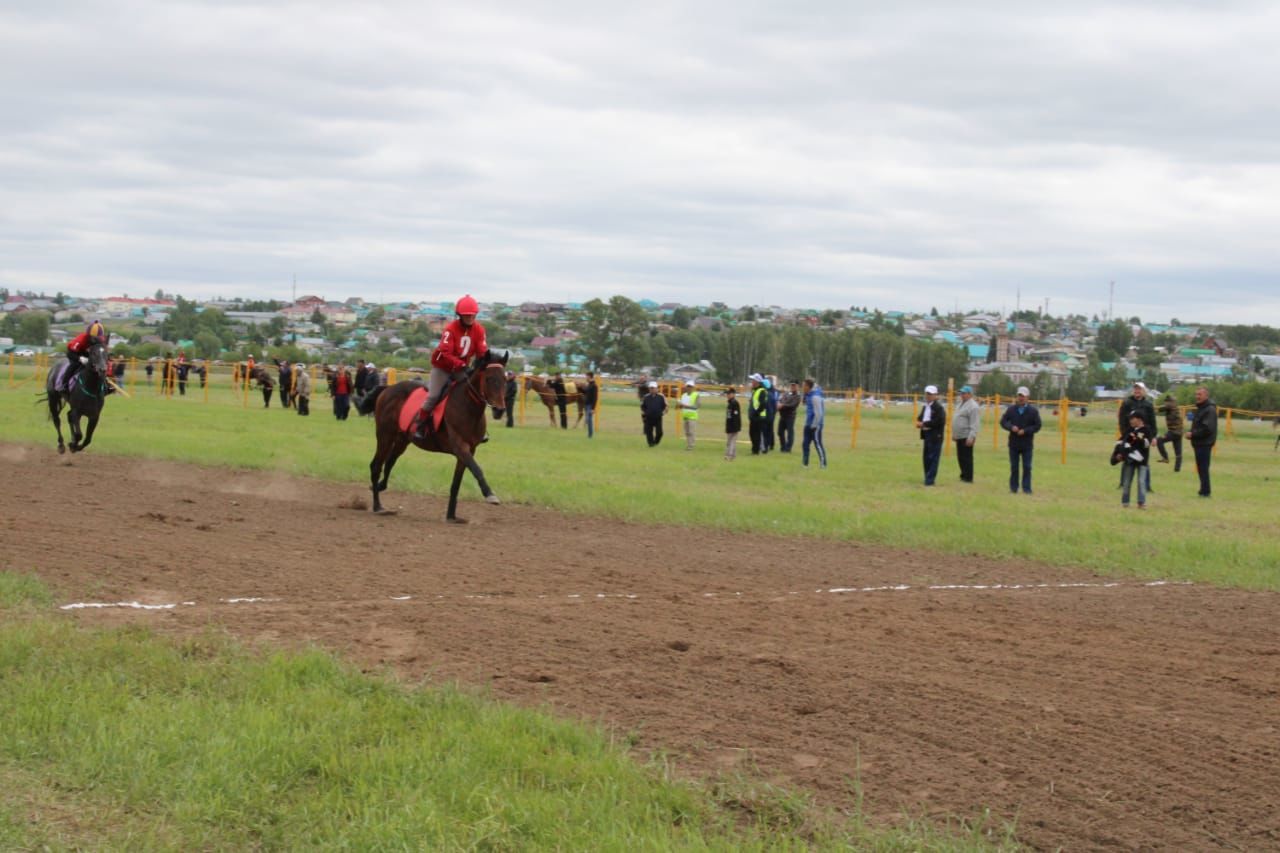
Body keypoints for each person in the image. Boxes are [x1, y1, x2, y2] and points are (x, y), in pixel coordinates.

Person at [414, 294, 488, 440]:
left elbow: (481, 351)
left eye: (472, 315)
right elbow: (445, 353)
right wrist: (460, 364)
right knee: (433, 396)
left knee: (475, 393)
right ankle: (420, 425)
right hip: (442, 367)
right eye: (467, 315)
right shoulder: (450, 329)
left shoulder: (479, 330)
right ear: (459, 315)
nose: (470, 318)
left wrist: (485, 361)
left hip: (460, 369)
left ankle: (478, 429)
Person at [1000, 385, 1041, 494]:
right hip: (1013, 443)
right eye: (1019, 395)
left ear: (1027, 397)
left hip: (1027, 444)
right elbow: (1003, 422)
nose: (1021, 398)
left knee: (1027, 467)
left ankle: (1026, 489)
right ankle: (1013, 488)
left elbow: (1037, 426)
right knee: (1014, 467)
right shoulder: (1011, 409)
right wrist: (1011, 427)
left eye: (1023, 396)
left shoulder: (1033, 411)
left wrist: (1026, 431)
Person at [1118, 381, 1157, 492]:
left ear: (1143, 391)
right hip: (1130, 434)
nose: (1137, 391)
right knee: (1127, 457)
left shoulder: (1148, 405)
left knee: (1144, 459)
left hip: (1144, 435)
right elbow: (1122, 420)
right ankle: (1123, 483)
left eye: (1139, 389)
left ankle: (1147, 486)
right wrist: (1124, 433)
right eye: (1135, 389)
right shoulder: (1127, 403)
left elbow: (1152, 422)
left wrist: (1153, 436)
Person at [1116, 411, 1152, 509]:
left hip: (1142, 461)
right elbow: (1121, 441)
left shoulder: (1147, 430)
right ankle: (1125, 502)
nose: (1130, 420)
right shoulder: (1129, 430)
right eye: (1130, 418)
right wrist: (1119, 452)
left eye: (1132, 418)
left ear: (1139, 419)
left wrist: (1137, 436)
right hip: (1129, 459)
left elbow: (1146, 444)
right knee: (1127, 481)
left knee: (1141, 481)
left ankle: (1141, 502)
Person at [1188, 386, 1217, 498]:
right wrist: (1191, 432)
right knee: (1201, 468)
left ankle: (1205, 492)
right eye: (1196, 394)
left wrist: (1193, 434)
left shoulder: (1209, 409)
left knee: (1203, 468)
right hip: (1199, 443)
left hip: (1205, 443)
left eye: (1199, 394)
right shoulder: (1201, 408)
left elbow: (1207, 429)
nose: (1197, 396)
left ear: (1206, 395)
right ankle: (1203, 490)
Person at [64, 319, 109, 389]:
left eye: (98, 338)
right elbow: (70, 353)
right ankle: (64, 384)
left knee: (100, 365)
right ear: (88, 336)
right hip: (74, 352)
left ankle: (105, 385)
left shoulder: (101, 339)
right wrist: (79, 358)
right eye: (94, 338)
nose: (96, 340)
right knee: (74, 365)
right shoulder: (80, 339)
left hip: (87, 353)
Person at [915, 384, 946, 486]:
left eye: (930, 394)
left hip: (935, 436)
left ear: (935, 395)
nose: (928, 396)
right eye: (927, 394)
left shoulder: (939, 408)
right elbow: (920, 417)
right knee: (926, 458)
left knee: (933, 459)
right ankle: (927, 476)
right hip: (926, 435)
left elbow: (939, 421)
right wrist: (919, 422)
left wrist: (924, 424)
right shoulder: (925, 407)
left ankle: (930, 480)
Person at [952, 384, 981, 483]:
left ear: (970, 394)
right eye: (961, 393)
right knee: (960, 457)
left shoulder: (973, 407)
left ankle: (968, 478)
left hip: (967, 435)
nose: (962, 395)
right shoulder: (960, 404)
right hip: (959, 435)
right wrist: (954, 433)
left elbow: (975, 423)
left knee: (967, 458)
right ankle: (963, 475)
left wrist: (971, 437)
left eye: (964, 393)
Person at [1155, 393, 1184, 472]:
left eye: (1166, 402)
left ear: (1170, 401)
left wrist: (1153, 408)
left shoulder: (1170, 406)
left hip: (1174, 432)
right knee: (1178, 453)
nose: (1165, 403)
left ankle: (1165, 458)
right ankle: (1177, 470)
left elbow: (1161, 409)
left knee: (1159, 440)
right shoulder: (1174, 407)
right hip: (1179, 432)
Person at [802, 378, 826, 468]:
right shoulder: (808, 394)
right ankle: (805, 464)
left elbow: (819, 413)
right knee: (805, 444)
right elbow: (805, 405)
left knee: (818, 445)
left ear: (808, 386)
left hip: (816, 425)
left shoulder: (815, 397)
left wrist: (815, 425)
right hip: (808, 424)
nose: (802, 387)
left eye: (803, 386)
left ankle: (823, 464)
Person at [640, 380, 667, 446]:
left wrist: (663, 413)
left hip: (658, 417)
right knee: (649, 432)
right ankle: (651, 444)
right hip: (648, 417)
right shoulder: (646, 397)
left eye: (653, 388)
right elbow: (642, 406)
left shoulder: (661, 397)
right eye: (650, 388)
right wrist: (644, 413)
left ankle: (656, 442)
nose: (652, 389)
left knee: (660, 432)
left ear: (657, 388)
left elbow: (665, 406)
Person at [747, 373, 768, 454]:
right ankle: (755, 448)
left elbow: (763, 404)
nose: (752, 382)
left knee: (756, 434)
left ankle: (755, 450)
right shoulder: (755, 390)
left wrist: (755, 413)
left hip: (758, 416)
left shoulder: (762, 391)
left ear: (757, 381)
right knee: (752, 433)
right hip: (754, 416)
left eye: (753, 380)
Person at [777, 381, 800, 452]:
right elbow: (781, 400)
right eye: (792, 385)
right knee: (780, 432)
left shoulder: (797, 396)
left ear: (797, 387)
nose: (792, 387)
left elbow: (793, 405)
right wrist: (779, 403)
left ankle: (788, 448)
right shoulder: (786, 393)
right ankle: (783, 446)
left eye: (794, 386)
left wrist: (782, 405)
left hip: (790, 416)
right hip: (782, 416)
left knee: (790, 433)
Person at [677, 379, 700, 450]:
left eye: (690, 386)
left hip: (692, 417)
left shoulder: (696, 395)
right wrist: (679, 405)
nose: (689, 388)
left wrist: (684, 405)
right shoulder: (683, 395)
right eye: (688, 386)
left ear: (693, 387)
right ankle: (688, 444)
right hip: (685, 416)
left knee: (691, 432)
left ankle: (691, 446)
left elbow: (697, 406)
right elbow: (680, 406)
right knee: (687, 432)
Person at [724, 386, 741, 460]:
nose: (727, 395)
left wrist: (735, 427)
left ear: (733, 394)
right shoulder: (730, 403)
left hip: (734, 426)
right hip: (730, 425)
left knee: (732, 441)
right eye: (727, 394)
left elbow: (736, 416)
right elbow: (729, 416)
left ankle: (729, 455)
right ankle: (732, 455)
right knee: (729, 441)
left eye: (729, 393)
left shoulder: (734, 403)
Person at [762, 376, 779, 452]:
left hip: (766, 415)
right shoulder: (772, 394)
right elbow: (775, 406)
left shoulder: (766, 394)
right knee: (769, 431)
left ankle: (766, 446)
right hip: (771, 415)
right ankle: (769, 445)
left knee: (765, 431)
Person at [583, 371, 598, 438]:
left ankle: (590, 435)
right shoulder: (589, 384)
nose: (585, 377)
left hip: (590, 406)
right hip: (586, 405)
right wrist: (579, 387)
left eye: (586, 376)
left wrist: (593, 408)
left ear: (589, 376)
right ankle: (589, 434)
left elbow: (595, 398)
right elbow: (585, 392)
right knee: (587, 420)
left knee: (589, 420)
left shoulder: (594, 386)